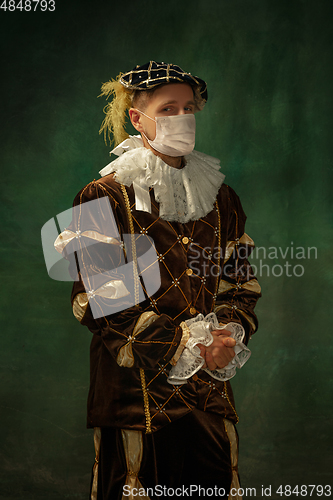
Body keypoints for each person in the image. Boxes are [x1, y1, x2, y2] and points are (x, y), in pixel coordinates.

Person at [54, 61, 261, 500]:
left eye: (189, 108)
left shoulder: (221, 197)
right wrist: (181, 346)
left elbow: (239, 281)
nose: (182, 119)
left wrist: (226, 334)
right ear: (137, 118)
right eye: (168, 109)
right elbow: (102, 298)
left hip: (208, 389)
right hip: (135, 396)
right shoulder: (103, 195)